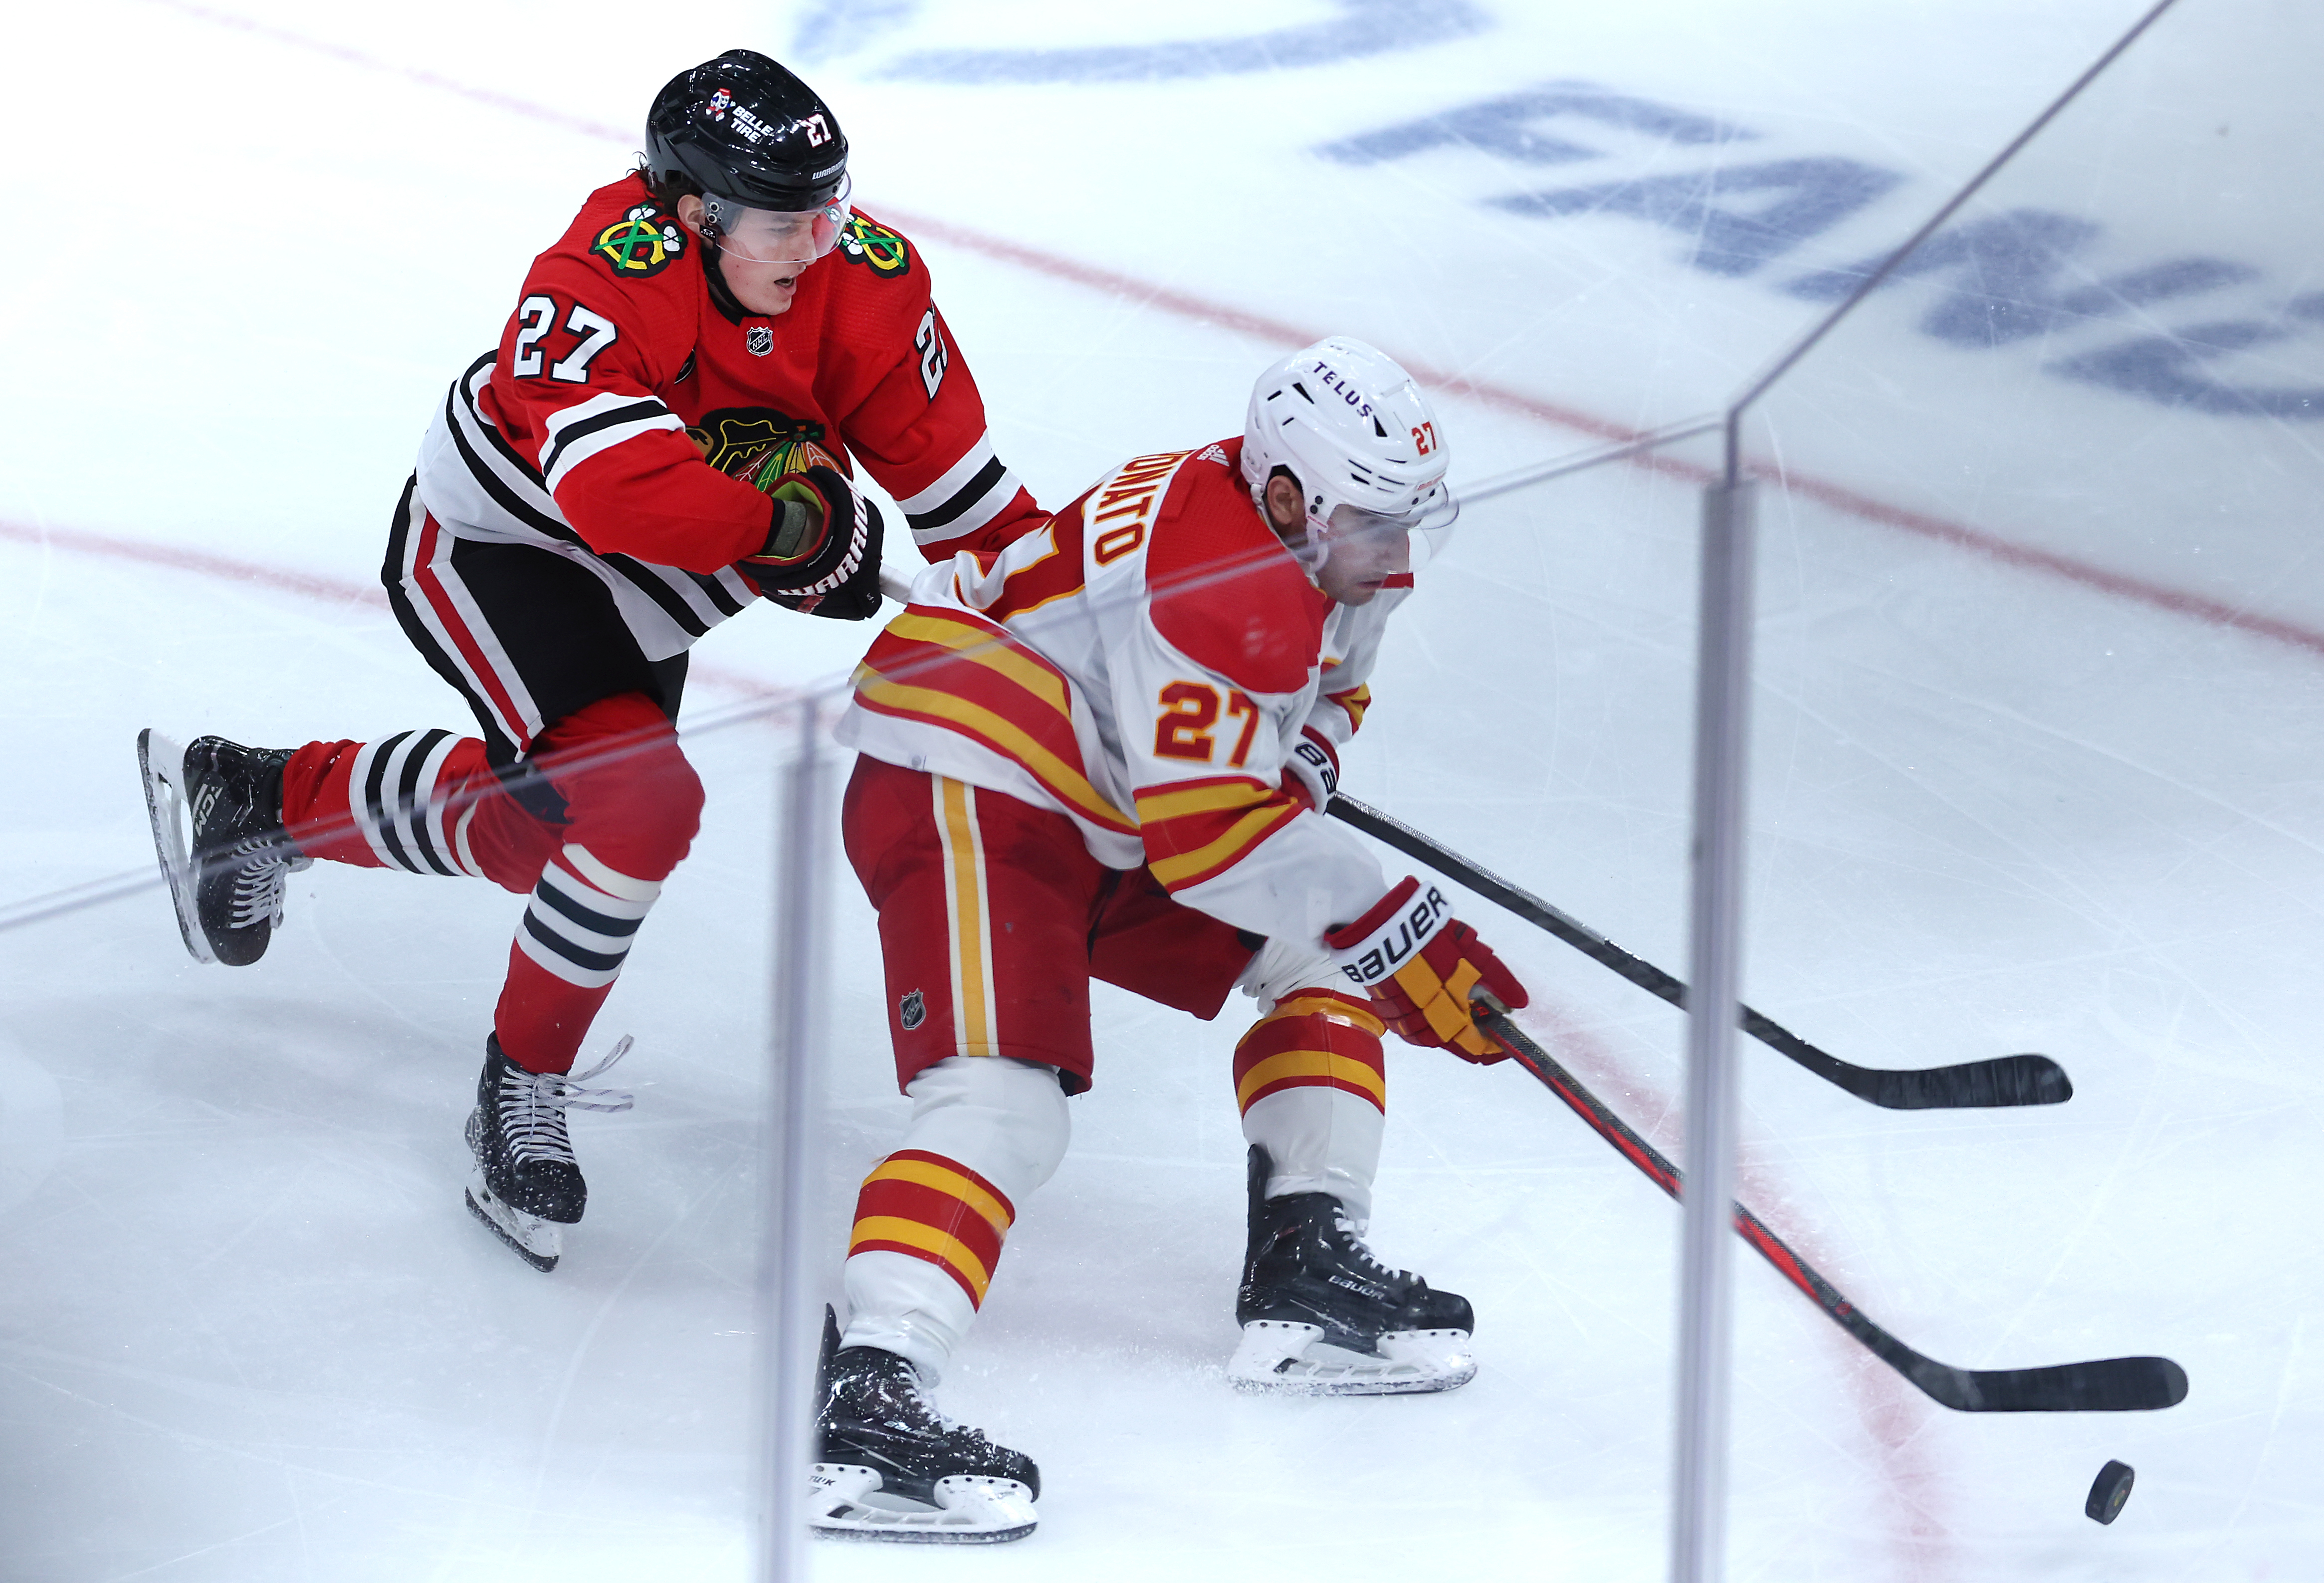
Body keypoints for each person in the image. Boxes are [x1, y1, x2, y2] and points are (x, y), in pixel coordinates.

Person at [134, 49, 1044, 1272]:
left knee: (548, 834)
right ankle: (516, 1093)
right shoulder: (593, 282)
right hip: (503, 550)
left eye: (831, 209)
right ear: (688, 213)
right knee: (636, 806)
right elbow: (625, 500)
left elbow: (978, 511)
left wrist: (1074, 634)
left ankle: (263, 800)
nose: (819, 243)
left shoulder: (862, 277)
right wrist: (795, 528)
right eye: (786, 222)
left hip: (660, 587)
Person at [807, 337, 1533, 1542]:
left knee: (1318, 959)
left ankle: (1306, 1263)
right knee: (1004, 1106)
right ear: (1293, 498)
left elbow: (1321, 698)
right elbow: (1208, 843)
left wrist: (1301, 765)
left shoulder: (1317, 535)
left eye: (1414, 523)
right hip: (970, 784)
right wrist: (1395, 923)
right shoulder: (1223, 577)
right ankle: (871, 1398)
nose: (1399, 558)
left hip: (1106, 799)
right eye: (1375, 524)